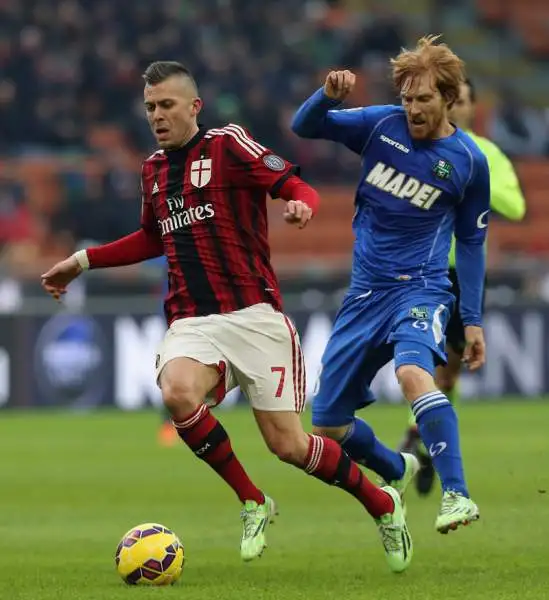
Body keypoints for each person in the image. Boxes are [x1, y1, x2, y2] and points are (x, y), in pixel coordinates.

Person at [41, 61, 413, 572]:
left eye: (166, 105)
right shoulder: (153, 170)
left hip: (255, 316)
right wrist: (82, 261)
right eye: (150, 107)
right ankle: (253, 500)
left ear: (194, 106)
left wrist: (302, 204)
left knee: (289, 445)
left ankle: (381, 503)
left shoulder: (228, 145)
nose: (157, 116)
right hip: (192, 320)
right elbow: (152, 237)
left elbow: (293, 184)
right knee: (177, 392)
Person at [291, 35, 488, 534]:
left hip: (420, 289)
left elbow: (470, 242)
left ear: (448, 98)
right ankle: (398, 468)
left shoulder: (468, 161)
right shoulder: (381, 124)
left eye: (424, 99)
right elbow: (304, 126)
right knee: (328, 424)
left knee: (412, 373)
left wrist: (472, 320)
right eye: (407, 98)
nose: (413, 109)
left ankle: (457, 494)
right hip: (364, 295)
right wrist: (327, 97)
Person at [397, 78, 527, 495]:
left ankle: (423, 439)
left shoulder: (485, 153)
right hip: (421, 269)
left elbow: (515, 206)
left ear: (470, 107)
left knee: (449, 370)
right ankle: (421, 434)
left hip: (463, 273)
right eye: (452, 101)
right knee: (423, 359)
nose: (457, 108)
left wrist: (473, 179)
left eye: (464, 101)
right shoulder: (419, 148)